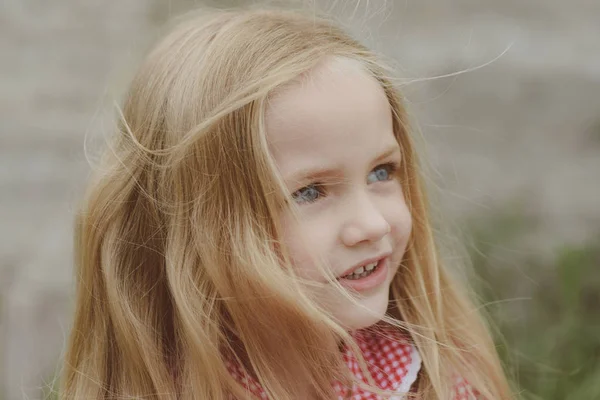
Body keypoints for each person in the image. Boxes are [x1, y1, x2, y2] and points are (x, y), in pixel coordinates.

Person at [60, 6, 513, 400]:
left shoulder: (433, 376)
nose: (373, 224)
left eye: (381, 172)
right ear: (195, 226)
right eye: (311, 192)